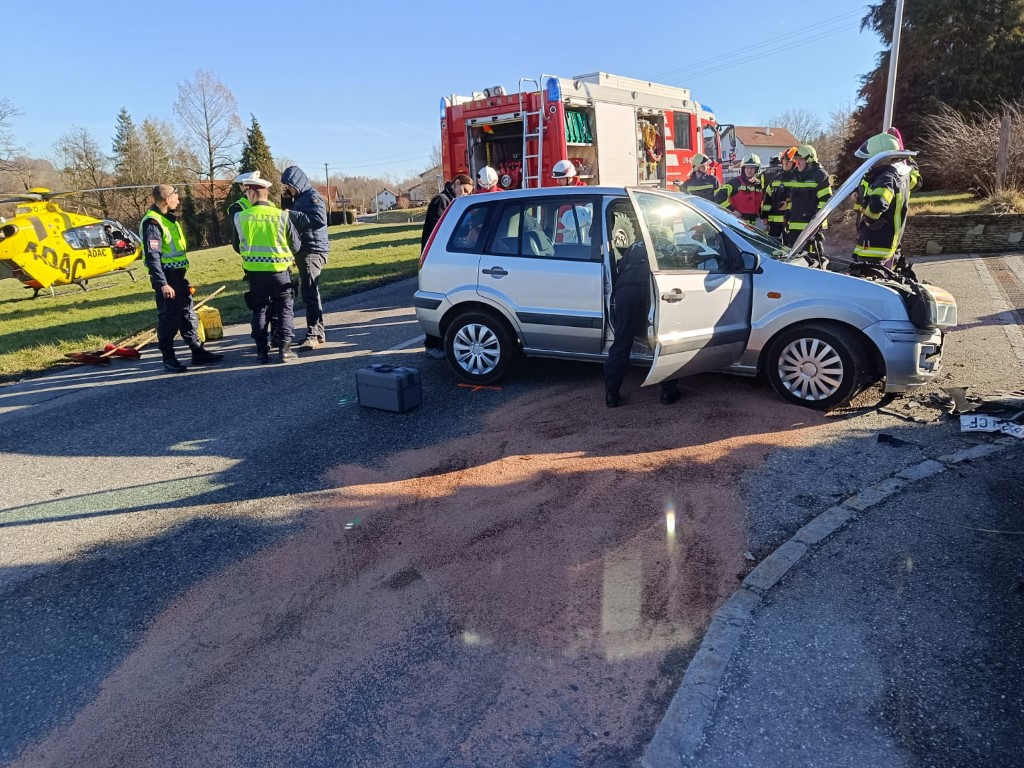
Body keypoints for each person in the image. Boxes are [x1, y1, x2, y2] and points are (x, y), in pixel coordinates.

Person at [140, 184, 223, 373]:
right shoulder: (153, 223)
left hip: (178, 276)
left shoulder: (168, 220)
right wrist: (163, 283)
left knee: (187, 314)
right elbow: (153, 257)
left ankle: (197, 351)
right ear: (167, 199)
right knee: (169, 318)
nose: (178, 201)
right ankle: (168, 357)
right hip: (167, 277)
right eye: (176, 197)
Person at [231, 174, 302, 363]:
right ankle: (285, 350)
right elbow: (296, 245)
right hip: (280, 272)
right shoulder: (281, 216)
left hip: (254, 274)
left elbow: (236, 245)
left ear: (252, 194)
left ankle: (261, 352)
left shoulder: (241, 217)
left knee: (259, 310)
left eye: (247, 193)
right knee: (284, 309)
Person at [604, 241, 681, 408]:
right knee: (665, 340)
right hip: (653, 289)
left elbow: (621, 267)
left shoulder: (634, 245)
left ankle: (611, 393)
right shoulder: (668, 245)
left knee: (621, 342)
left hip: (625, 289)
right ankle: (668, 392)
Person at [420, 173, 473, 358]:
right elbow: (440, 229)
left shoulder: (453, 201)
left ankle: (442, 342)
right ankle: (432, 344)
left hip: (441, 258)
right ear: (456, 183)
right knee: (438, 301)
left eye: (468, 193)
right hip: (435, 259)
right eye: (464, 190)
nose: (465, 194)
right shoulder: (442, 200)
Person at [280, 166, 329, 351]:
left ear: (298, 183)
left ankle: (313, 335)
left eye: (289, 186)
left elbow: (319, 220)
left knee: (309, 293)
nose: (288, 189)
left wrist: (290, 214)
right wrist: (287, 202)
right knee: (310, 292)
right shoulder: (300, 199)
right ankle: (319, 333)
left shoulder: (312, 197)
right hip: (305, 250)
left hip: (313, 250)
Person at [851, 132, 915, 270]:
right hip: (887, 243)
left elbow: (878, 203)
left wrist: (869, 220)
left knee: (867, 278)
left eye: (869, 158)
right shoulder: (901, 173)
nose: (867, 161)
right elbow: (915, 181)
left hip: (875, 246)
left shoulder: (886, 176)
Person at [786, 145, 832, 262]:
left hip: (811, 227)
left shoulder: (820, 175)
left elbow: (826, 200)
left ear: (810, 160)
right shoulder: (796, 175)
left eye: (800, 160)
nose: (797, 163)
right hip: (794, 225)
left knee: (812, 260)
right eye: (796, 160)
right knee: (794, 260)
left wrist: (816, 220)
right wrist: (787, 215)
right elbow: (793, 199)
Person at [716, 154, 764, 224]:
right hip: (736, 221)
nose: (749, 170)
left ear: (756, 169)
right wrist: (731, 210)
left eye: (752, 168)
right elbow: (719, 196)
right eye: (747, 168)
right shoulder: (735, 183)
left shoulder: (758, 184)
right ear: (743, 169)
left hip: (752, 222)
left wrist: (764, 217)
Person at [759, 155, 787, 238]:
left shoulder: (764, 173)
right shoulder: (785, 173)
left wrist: (764, 215)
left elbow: (761, 190)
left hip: (770, 210)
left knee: (772, 239)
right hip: (785, 214)